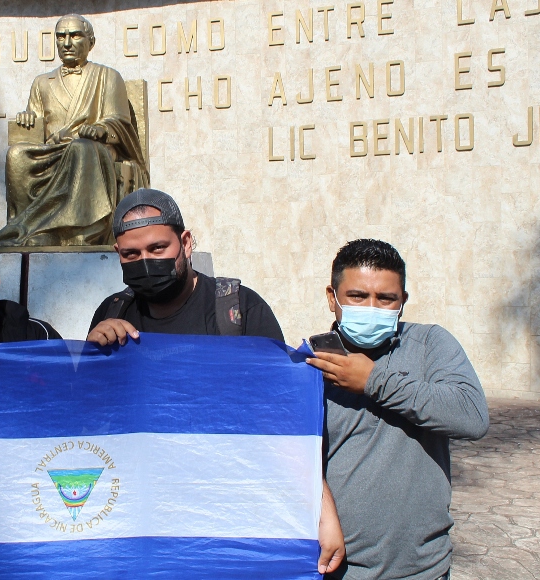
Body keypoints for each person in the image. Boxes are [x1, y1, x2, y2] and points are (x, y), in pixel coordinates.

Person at [86, 188, 345, 575]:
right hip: (148, 516)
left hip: (230, 508)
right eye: (131, 255)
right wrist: (96, 354)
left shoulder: (238, 309)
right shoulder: (112, 311)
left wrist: (322, 511)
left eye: (157, 249)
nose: (145, 262)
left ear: (186, 243)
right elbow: (92, 423)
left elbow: (278, 416)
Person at [306, 239, 489, 580]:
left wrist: (374, 380)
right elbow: (296, 458)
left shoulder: (430, 345)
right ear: (332, 298)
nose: (372, 307)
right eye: (358, 297)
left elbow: (472, 417)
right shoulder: (310, 363)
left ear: (403, 301)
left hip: (422, 569)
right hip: (337, 569)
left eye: (386, 298)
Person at [0, 13, 149, 247]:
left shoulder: (108, 77)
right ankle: (29, 229)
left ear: (90, 42)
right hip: (54, 150)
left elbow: (120, 121)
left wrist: (101, 130)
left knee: (80, 149)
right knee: (16, 156)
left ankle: (80, 232)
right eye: (61, 37)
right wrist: (28, 118)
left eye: (75, 36)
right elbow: (37, 125)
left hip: (96, 149)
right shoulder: (42, 82)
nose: (66, 43)